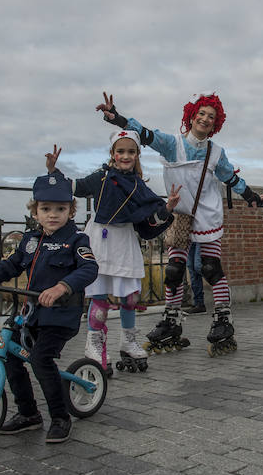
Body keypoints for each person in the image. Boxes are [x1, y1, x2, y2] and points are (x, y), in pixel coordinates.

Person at [98, 90, 263, 352]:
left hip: (207, 212)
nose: (205, 119)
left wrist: (251, 196)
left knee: (211, 267)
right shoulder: (172, 143)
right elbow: (144, 134)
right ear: (192, 116)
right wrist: (117, 118)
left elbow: (229, 177)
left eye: (211, 116)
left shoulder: (216, 152)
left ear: (216, 123)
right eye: (201, 113)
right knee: (174, 270)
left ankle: (223, 320)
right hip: (180, 211)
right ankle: (171, 321)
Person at [0, 171, 98, 444]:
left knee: (40, 359)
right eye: (46, 209)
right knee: (12, 356)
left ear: (70, 211)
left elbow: (89, 268)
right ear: (35, 212)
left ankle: (60, 416)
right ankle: (28, 414)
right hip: (32, 314)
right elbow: (12, 265)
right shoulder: (30, 240)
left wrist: (61, 287)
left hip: (61, 315)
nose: (53, 215)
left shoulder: (76, 240)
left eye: (60, 209)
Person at [45, 132, 180, 376]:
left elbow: (151, 218)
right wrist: (54, 171)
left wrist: (168, 207)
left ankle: (128, 341)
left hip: (124, 240)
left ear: (137, 155)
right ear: (113, 154)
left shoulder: (140, 186)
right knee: (99, 297)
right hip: (100, 238)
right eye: (121, 151)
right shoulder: (101, 178)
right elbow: (75, 187)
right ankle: (94, 344)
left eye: (131, 152)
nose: (125, 156)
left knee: (129, 297)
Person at [184, 242, 206, 314]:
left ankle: (220, 285)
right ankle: (199, 304)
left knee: (198, 266)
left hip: (201, 236)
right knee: (191, 268)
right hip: (190, 239)